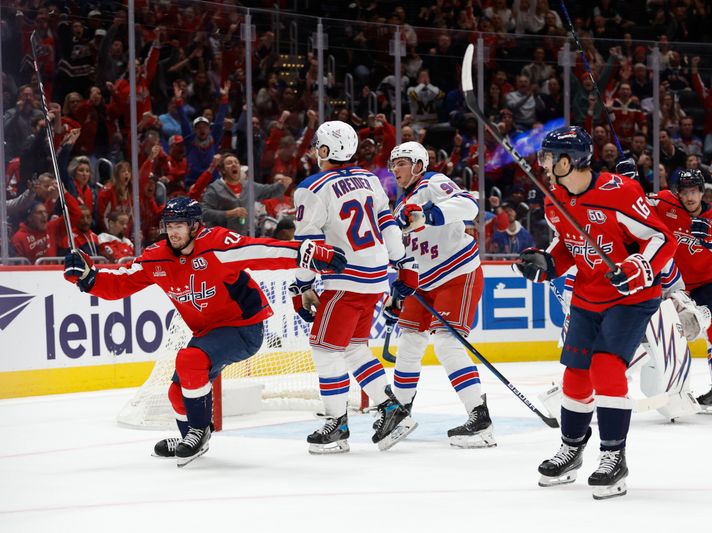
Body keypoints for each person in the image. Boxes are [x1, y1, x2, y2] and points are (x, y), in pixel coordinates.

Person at [63, 197, 346, 467]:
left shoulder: (217, 245)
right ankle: (192, 435)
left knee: (189, 359)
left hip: (244, 328)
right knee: (176, 393)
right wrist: (88, 278)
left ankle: (197, 433)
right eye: (169, 227)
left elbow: (261, 251)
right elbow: (121, 282)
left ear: (195, 226)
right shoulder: (156, 258)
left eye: (180, 226)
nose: (173, 233)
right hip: (208, 333)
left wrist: (306, 254)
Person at [516, 126, 676, 500]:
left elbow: (662, 238)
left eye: (550, 157)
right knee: (574, 377)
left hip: (632, 296)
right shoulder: (554, 197)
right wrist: (548, 263)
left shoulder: (619, 192)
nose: (544, 163)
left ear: (569, 161)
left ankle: (613, 457)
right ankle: (571, 449)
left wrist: (638, 267)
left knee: (606, 367)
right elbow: (567, 245)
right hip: (588, 295)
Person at [291, 121, 418, 454]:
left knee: (324, 348)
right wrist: (402, 263)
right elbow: (388, 224)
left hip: (346, 279)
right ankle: (392, 410)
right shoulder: (371, 178)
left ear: (323, 150)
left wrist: (303, 285)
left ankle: (337, 425)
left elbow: (308, 244)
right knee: (353, 348)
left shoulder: (312, 186)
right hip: (376, 276)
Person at [386, 141, 493, 448]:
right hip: (423, 283)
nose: (396, 169)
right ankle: (400, 413)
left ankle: (480, 418)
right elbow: (404, 253)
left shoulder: (433, 183)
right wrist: (398, 289)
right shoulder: (399, 209)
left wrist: (428, 214)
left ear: (419, 164)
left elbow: (469, 206)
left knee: (447, 344)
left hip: (458, 274)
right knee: (408, 342)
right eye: (393, 164)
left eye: (402, 162)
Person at [648, 169, 712, 417]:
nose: (689, 197)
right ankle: (670, 387)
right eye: (684, 192)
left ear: (703, 192)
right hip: (669, 285)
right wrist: (629, 177)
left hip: (706, 284)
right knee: (661, 337)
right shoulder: (664, 203)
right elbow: (632, 203)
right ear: (678, 192)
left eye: (694, 192)